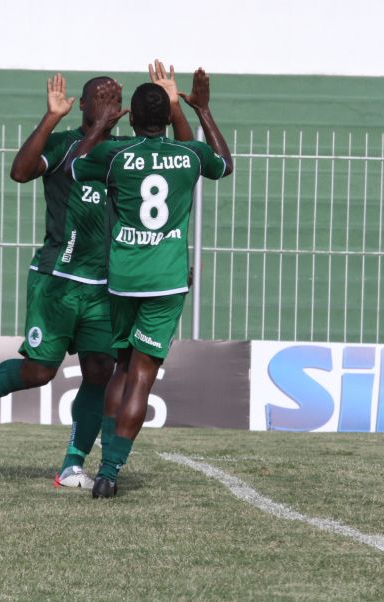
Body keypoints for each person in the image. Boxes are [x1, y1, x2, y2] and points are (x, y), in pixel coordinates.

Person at [0, 62, 194, 491]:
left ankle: (73, 464)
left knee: (99, 371)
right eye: (103, 96)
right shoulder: (68, 145)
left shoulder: (125, 154)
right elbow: (20, 172)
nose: (112, 102)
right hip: (57, 280)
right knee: (39, 372)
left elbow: (186, 161)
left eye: (116, 97)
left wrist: (173, 104)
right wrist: (51, 116)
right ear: (85, 105)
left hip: (108, 287)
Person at [70, 70, 232, 498]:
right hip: (166, 279)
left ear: (132, 117)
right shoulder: (189, 155)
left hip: (124, 278)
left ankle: (102, 461)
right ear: (166, 115)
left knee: (122, 368)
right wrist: (200, 107)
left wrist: (103, 125)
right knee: (142, 374)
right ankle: (110, 470)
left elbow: (77, 167)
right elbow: (224, 164)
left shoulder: (117, 156)